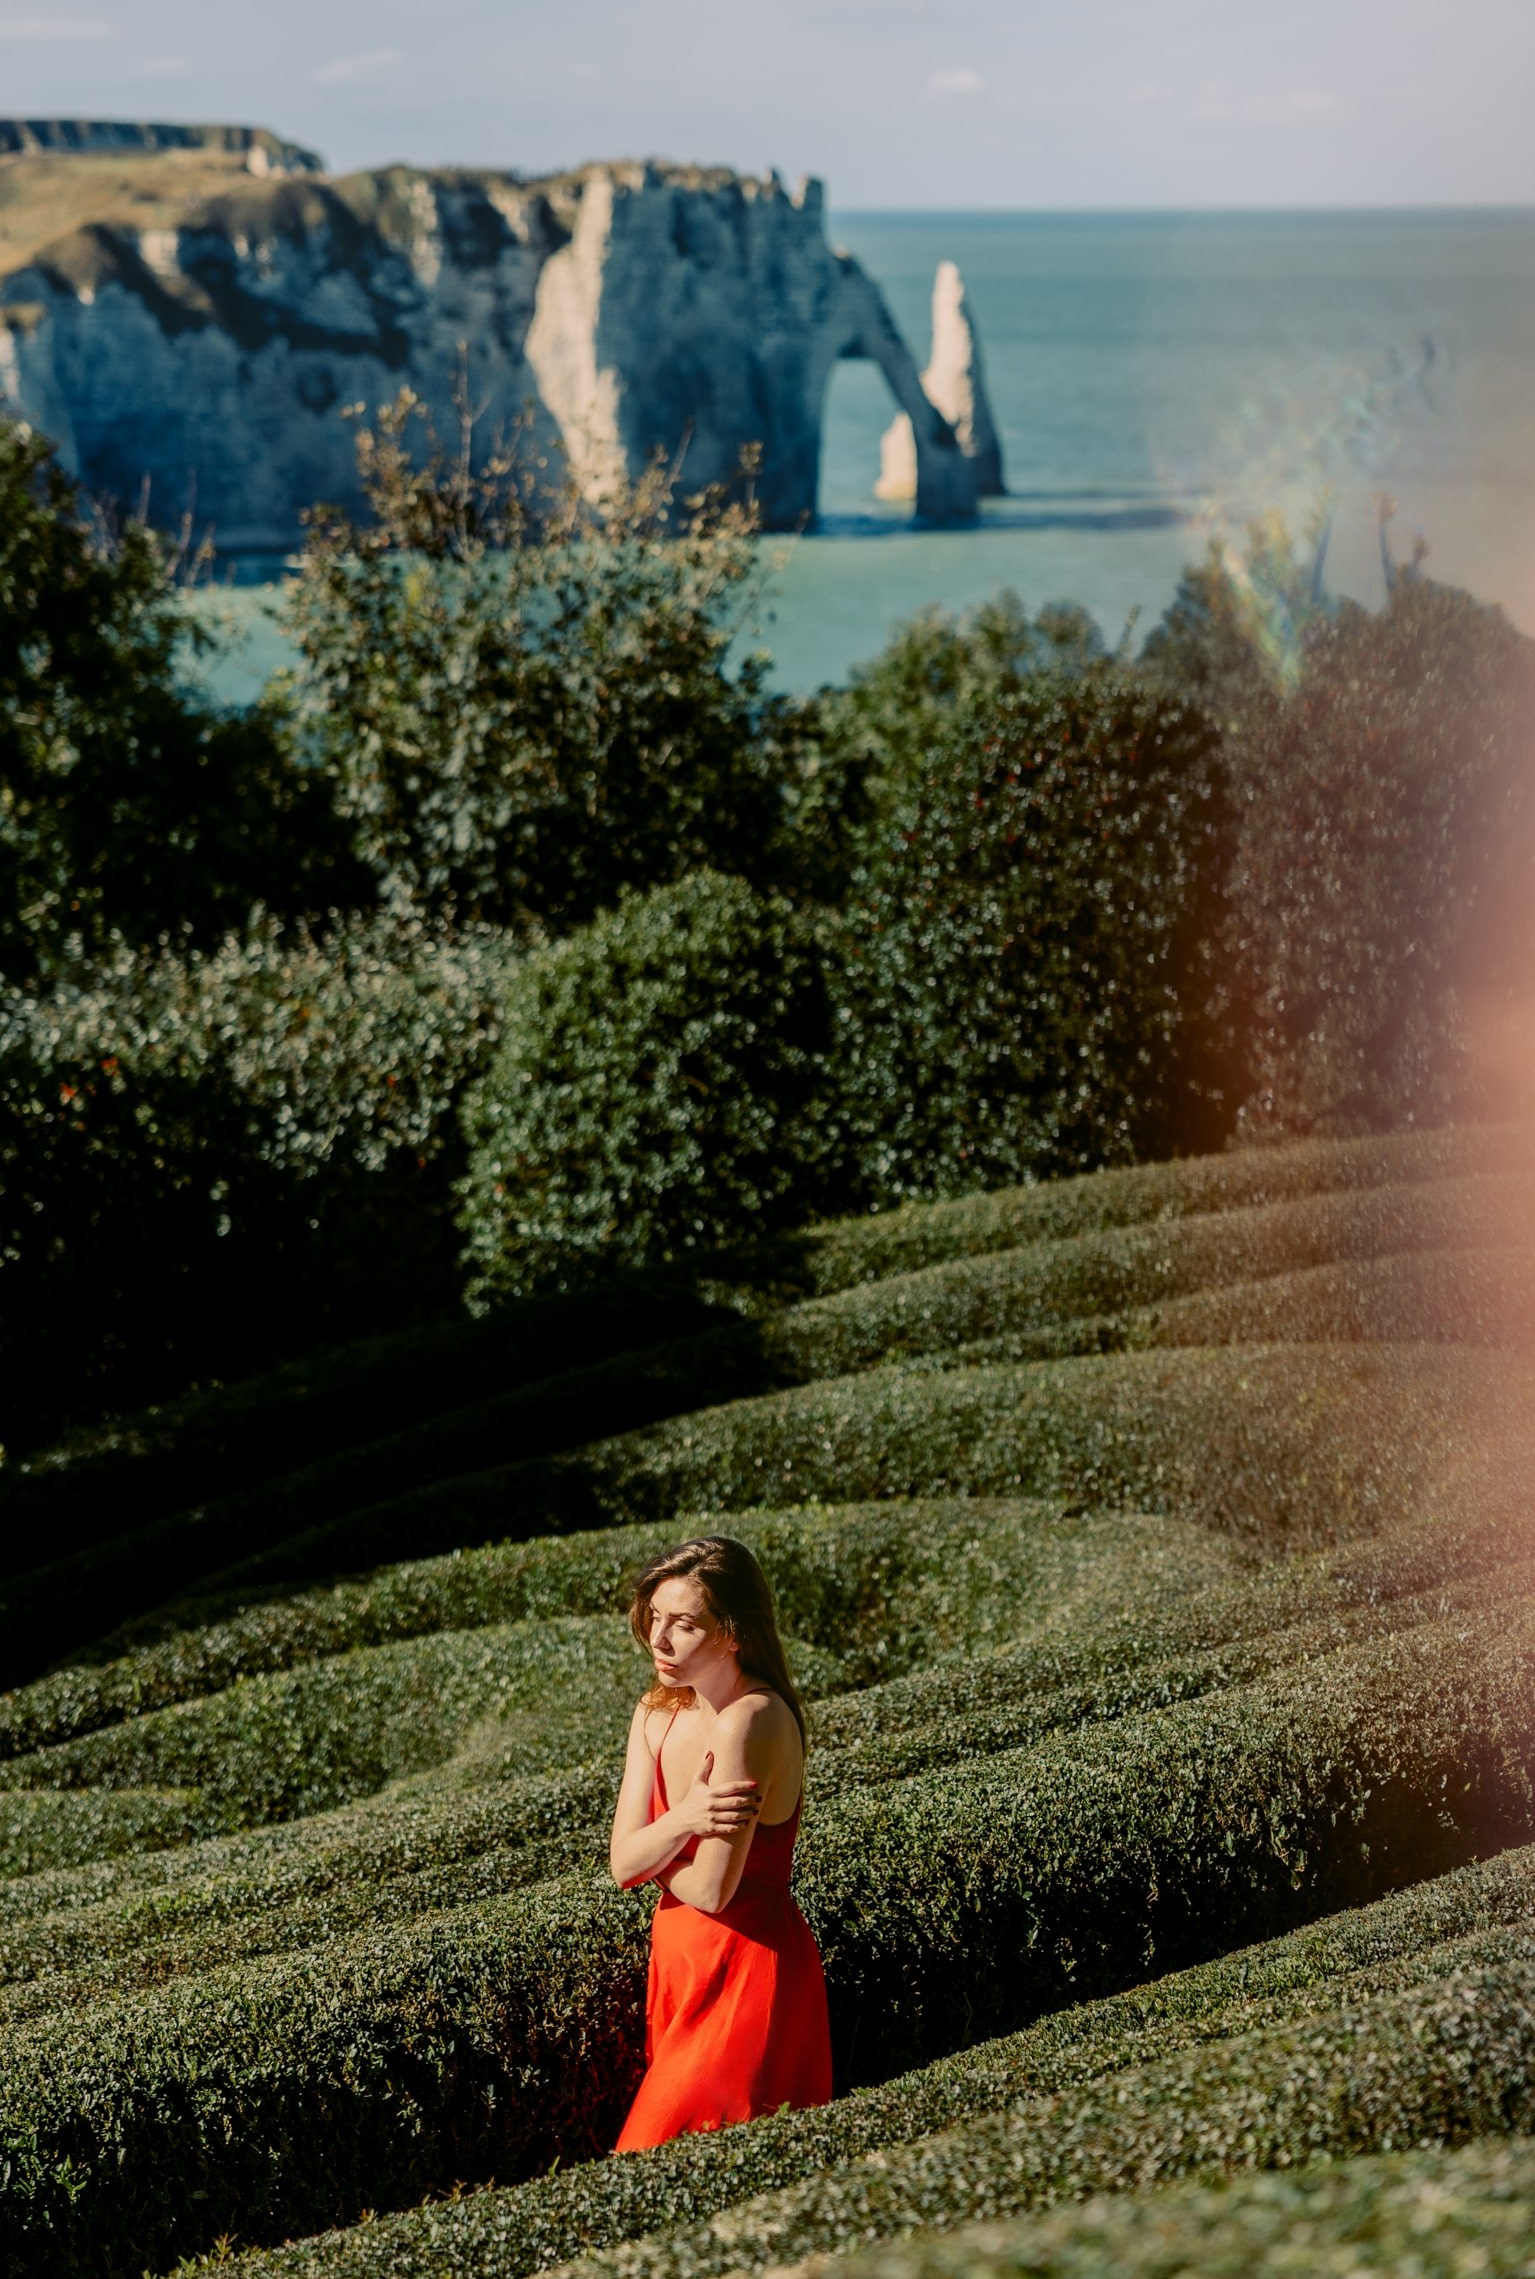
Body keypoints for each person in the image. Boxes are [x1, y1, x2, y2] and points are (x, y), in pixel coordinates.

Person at [609, 1534, 833, 2150]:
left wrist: (652, 1854)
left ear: (732, 1634)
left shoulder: (748, 1722)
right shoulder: (654, 1712)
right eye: (655, 1617)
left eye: (684, 1624)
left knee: (652, 2156)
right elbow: (620, 1865)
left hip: (745, 1974)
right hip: (679, 1968)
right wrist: (684, 1819)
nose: (659, 1639)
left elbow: (711, 1889)